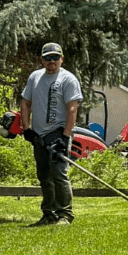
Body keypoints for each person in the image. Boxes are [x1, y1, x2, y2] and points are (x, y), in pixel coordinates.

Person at [20, 42, 84, 226]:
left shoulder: (68, 79)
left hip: (58, 134)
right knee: (44, 176)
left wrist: (65, 137)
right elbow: (25, 102)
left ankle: (65, 215)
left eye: (55, 57)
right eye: (47, 58)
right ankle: (49, 214)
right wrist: (27, 129)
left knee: (59, 174)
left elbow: (72, 108)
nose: (52, 61)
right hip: (38, 135)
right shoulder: (35, 77)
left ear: (62, 59)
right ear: (42, 60)